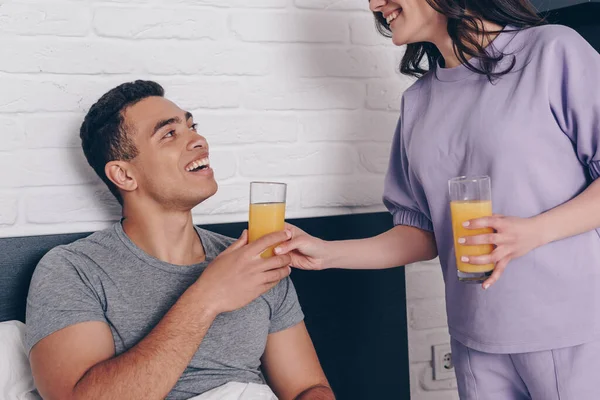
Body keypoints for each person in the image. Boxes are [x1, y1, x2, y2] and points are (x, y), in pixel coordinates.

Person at [275, 0, 600, 398]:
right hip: (473, 337)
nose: (375, 4)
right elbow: (420, 231)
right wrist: (326, 253)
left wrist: (533, 232)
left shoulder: (552, 51)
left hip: (570, 328)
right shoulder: (418, 101)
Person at [25, 80, 335, 400]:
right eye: (169, 134)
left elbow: (308, 387)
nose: (199, 140)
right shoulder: (73, 270)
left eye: (191, 126)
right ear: (124, 175)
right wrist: (206, 298)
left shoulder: (254, 259)